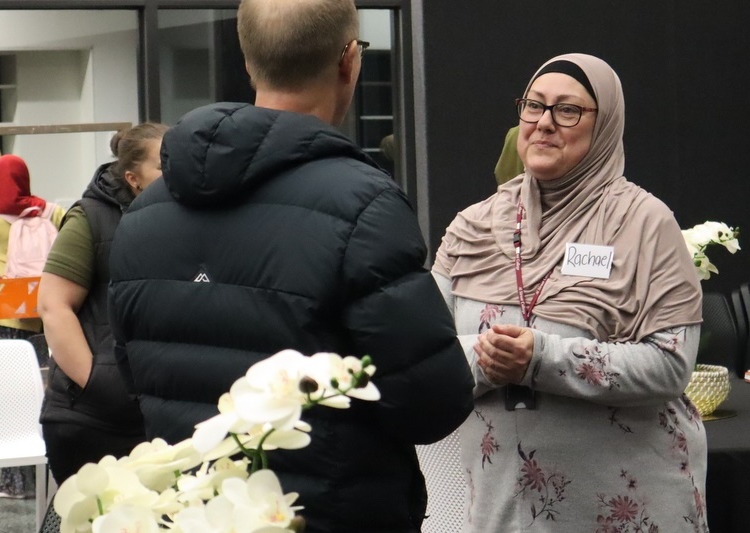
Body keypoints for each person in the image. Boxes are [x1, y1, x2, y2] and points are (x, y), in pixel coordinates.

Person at [107, 1, 474, 532]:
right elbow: (433, 402)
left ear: (248, 60)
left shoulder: (143, 216)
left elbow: (136, 378)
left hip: (196, 512)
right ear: (349, 60)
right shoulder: (363, 205)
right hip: (330, 513)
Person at [433, 53, 707, 531]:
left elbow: (671, 364)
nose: (544, 124)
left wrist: (542, 358)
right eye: (533, 106)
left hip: (627, 509)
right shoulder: (470, 229)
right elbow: (423, 355)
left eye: (568, 110)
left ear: (605, 125)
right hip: (505, 509)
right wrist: (490, 357)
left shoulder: (644, 223)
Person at [37, 122, 167, 485]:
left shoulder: (183, 220)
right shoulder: (90, 217)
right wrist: (98, 381)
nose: (173, 172)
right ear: (133, 177)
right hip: (92, 419)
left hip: (157, 415)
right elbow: (53, 305)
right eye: (162, 165)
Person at [0, 153, 66, 499]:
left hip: (10, 319)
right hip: (49, 314)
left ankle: (14, 483)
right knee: (46, 392)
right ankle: (51, 471)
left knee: (10, 398)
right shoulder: (53, 213)